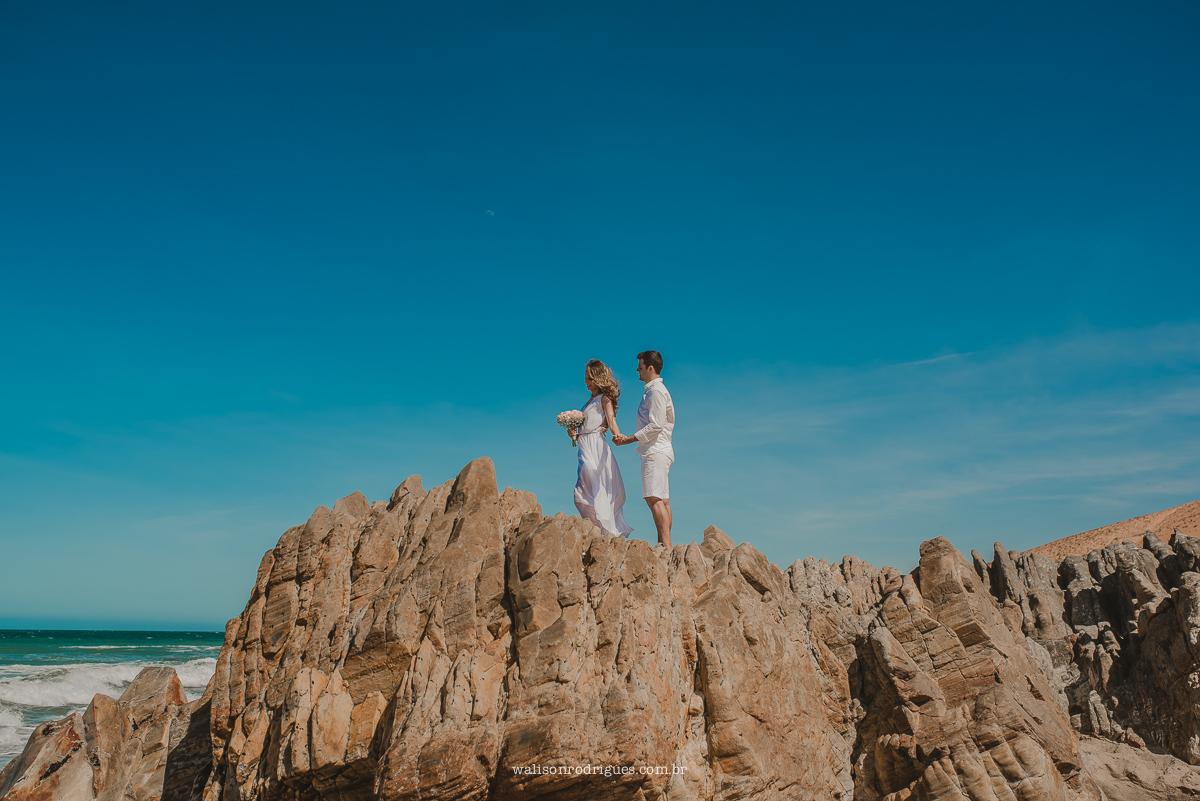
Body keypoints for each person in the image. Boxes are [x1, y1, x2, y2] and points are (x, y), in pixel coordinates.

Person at [612, 350, 674, 548]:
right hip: (658, 450)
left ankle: (666, 545)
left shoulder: (656, 391)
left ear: (650, 368)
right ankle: (664, 543)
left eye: (640, 366)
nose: (636, 370)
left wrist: (629, 439)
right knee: (661, 498)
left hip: (655, 450)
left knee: (653, 496)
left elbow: (656, 425)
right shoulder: (654, 390)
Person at [568, 359, 634, 537]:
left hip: (596, 447)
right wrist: (574, 434)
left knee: (596, 486)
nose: (585, 382)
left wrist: (617, 434)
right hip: (583, 446)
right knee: (581, 493)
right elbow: (584, 428)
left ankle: (605, 532)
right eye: (585, 378)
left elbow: (611, 420)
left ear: (597, 378)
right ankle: (595, 530)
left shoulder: (604, 399)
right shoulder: (588, 401)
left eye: (589, 378)